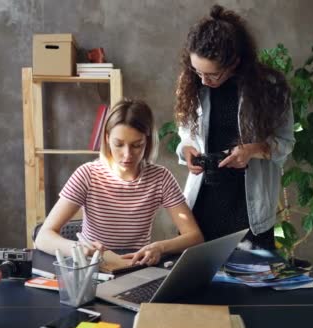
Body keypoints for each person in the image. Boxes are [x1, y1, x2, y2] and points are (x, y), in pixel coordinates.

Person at [175, 4, 295, 250]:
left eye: (212, 75)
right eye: (197, 71)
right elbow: (186, 134)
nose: (203, 80)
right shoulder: (193, 83)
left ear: (235, 63)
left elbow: (285, 143)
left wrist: (252, 150)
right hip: (202, 204)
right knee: (197, 282)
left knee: (251, 284)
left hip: (249, 208)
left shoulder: (270, 88)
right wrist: (186, 150)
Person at [35, 99, 204, 266]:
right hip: (93, 268)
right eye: (119, 144)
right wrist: (78, 247)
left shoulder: (161, 178)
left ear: (147, 141)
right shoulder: (87, 174)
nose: (127, 155)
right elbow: (43, 237)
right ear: (107, 139)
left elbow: (195, 237)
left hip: (134, 269)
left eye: (137, 145)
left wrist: (161, 246)